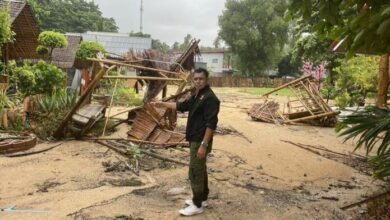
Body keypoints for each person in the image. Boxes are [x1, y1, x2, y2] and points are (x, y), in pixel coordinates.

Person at [152, 68, 220, 216]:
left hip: (200, 140)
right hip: (194, 138)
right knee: (200, 168)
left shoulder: (210, 98)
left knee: (195, 171)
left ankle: (197, 204)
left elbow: (211, 124)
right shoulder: (197, 95)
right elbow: (181, 106)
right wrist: (162, 104)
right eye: (195, 79)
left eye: (201, 79)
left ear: (207, 80)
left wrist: (204, 145)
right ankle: (203, 198)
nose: (198, 81)